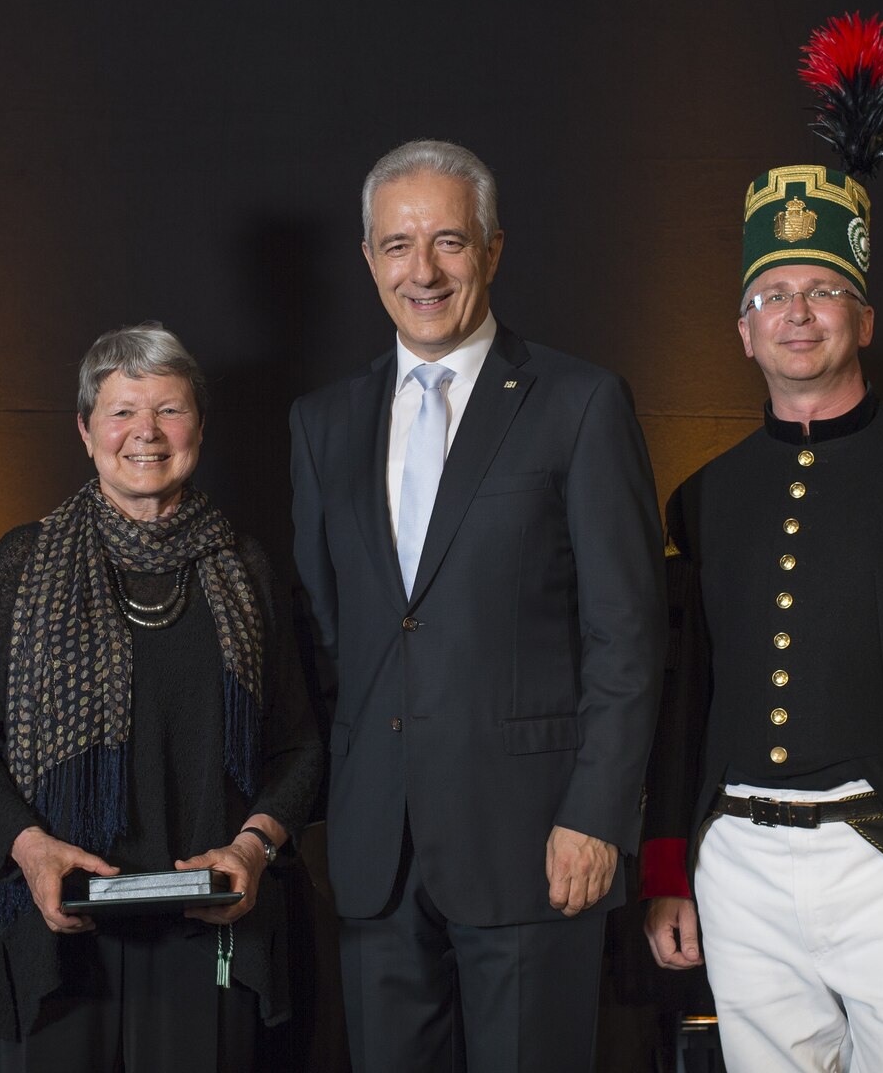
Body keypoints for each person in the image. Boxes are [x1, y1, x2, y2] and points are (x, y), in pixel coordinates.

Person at [640, 16, 883, 1070]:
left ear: (863, 318)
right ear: (740, 328)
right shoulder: (701, 500)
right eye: (771, 295)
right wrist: (671, 866)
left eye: (822, 291)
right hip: (739, 870)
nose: (796, 314)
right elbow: (684, 697)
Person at [289, 139, 665, 1071]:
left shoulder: (580, 404)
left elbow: (626, 629)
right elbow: (329, 629)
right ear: (368, 257)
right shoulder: (323, 422)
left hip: (538, 843)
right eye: (397, 245)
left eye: (450, 242)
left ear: (493, 251)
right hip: (379, 854)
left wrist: (597, 813)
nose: (423, 270)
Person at [0, 322, 323, 1072]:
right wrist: (30, 847)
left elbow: (299, 745)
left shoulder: (245, 570)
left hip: (208, 932)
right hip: (57, 933)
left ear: (199, 428)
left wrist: (253, 846)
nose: (145, 432)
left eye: (169, 410)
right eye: (121, 412)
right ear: (86, 431)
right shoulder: (23, 564)